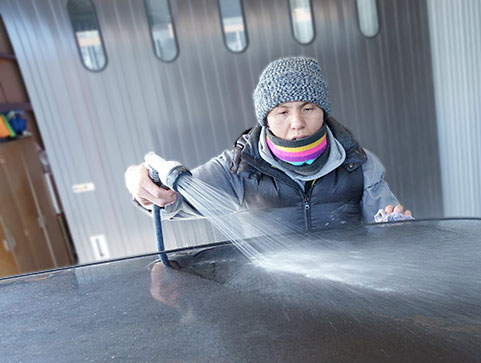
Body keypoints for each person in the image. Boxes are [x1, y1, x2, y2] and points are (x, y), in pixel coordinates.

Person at [124, 56, 410, 232]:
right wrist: (145, 187)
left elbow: (384, 227)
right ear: (266, 119)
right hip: (271, 309)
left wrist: (395, 230)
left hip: (348, 302)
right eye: (282, 112)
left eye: (308, 108)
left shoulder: (359, 164)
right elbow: (176, 201)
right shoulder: (238, 168)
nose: (297, 122)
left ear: (323, 111)